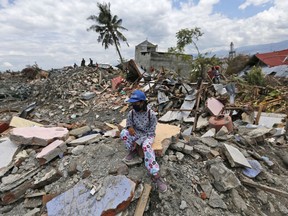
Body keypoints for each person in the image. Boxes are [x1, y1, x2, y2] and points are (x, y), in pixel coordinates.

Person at [120, 90, 168, 193]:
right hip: (136, 133)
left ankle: (155, 174)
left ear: (142, 102)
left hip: (147, 135)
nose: (133, 105)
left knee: (146, 147)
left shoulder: (151, 115)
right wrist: (130, 128)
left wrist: (139, 141)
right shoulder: (131, 113)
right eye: (132, 103)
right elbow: (128, 123)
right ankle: (132, 150)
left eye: (136, 103)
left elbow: (151, 132)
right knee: (123, 133)